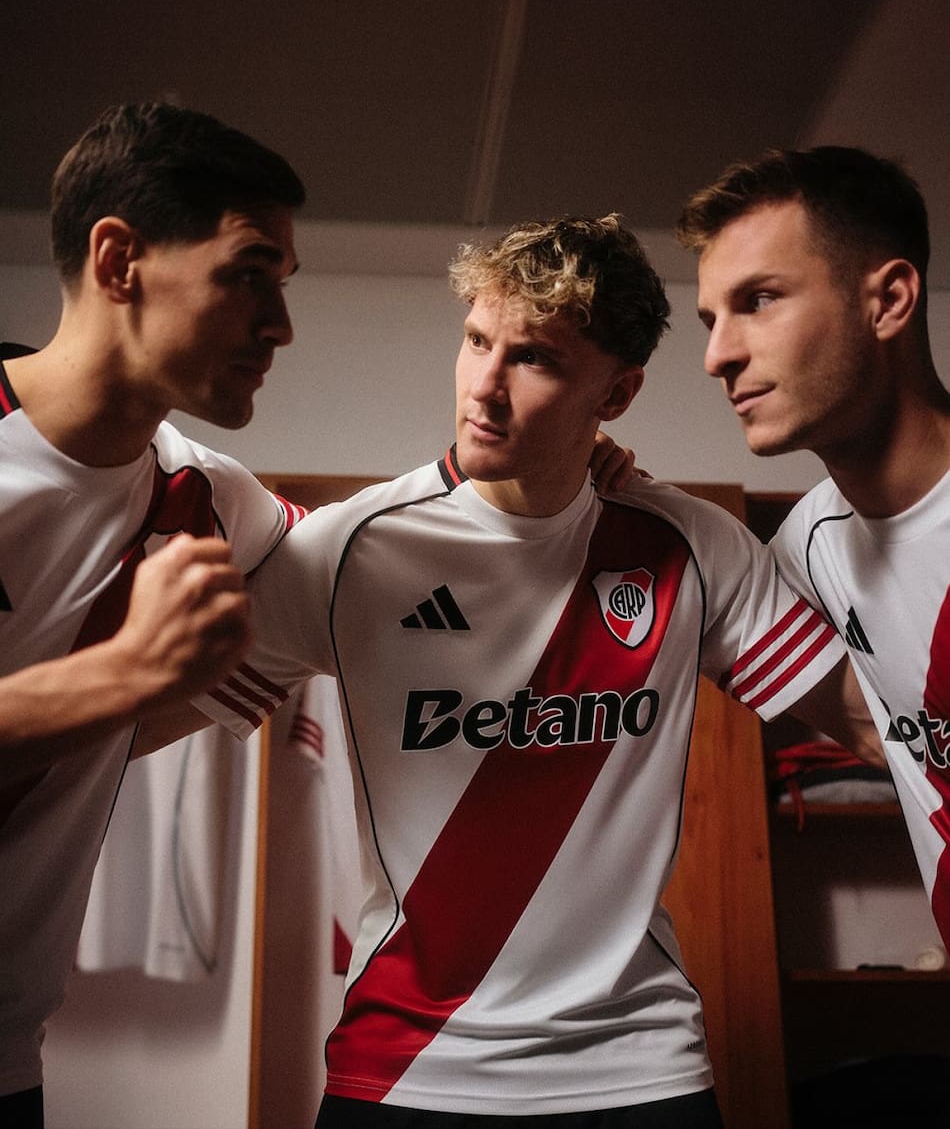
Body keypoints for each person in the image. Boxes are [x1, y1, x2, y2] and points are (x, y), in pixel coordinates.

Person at [191, 213, 877, 1127]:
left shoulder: (690, 545)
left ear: (618, 393)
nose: (484, 385)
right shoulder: (351, 549)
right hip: (407, 1065)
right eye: (477, 340)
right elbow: (141, 724)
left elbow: (879, 727)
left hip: (638, 1064)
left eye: (537, 360)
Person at [0, 101, 309, 1126]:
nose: (280, 325)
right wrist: (129, 674)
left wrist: (568, 474)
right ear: (119, 259)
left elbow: (365, 562)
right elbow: (135, 677)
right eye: (248, 272)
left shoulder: (217, 501)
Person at [676, 145, 950, 945]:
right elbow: (883, 737)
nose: (717, 354)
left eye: (758, 300)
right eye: (711, 318)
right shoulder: (805, 555)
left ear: (889, 300)